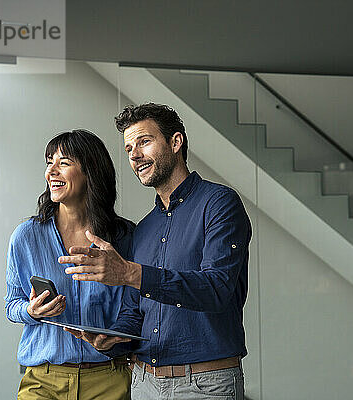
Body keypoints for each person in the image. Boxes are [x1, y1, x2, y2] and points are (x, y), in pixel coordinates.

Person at [60, 103, 252, 400]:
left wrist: (130, 273)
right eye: (128, 149)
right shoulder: (145, 228)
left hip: (205, 384)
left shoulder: (219, 204)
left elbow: (217, 289)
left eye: (144, 142)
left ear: (176, 142)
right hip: (145, 382)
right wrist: (113, 336)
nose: (134, 155)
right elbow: (135, 310)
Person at [4, 129, 135, 400]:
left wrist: (118, 337)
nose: (51, 171)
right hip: (43, 380)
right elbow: (11, 305)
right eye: (49, 162)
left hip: (108, 378)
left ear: (91, 172)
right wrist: (32, 310)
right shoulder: (26, 236)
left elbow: (136, 307)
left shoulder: (125, 237)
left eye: (63, 163)